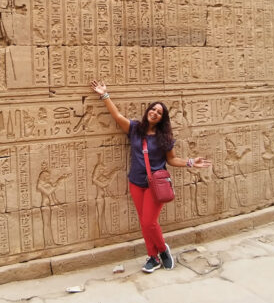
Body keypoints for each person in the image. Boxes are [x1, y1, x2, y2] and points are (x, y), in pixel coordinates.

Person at [90, 80, 211, 273]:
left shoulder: (165, 138)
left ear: (162, 119)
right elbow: (117, 116)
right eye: (153, 109)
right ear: (148, 111)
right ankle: (153, 257)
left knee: (149, 222)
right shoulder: (135, 129)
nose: (154, 113)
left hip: (156, 185)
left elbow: (171, 160)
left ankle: (162, 250)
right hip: (136, 183)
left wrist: (190, 162)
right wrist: (104, 95)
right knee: (145, 222)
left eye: (159, 112)